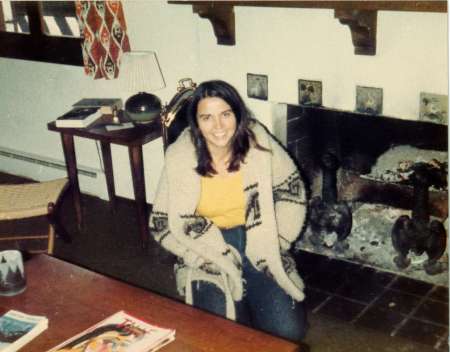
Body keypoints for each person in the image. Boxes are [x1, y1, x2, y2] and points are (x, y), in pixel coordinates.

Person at [149, 80, 309, 342]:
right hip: (208, 246)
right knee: (220, 333)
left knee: (288, 332)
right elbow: (161, 222)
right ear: (196, 123)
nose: (219, 126)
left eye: (225, 114)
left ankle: (252, 293)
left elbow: (292, 192)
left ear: (237, 113)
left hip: (258, 237)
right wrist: (196, 254)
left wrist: (278, 241)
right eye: (207, 117)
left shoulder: (258, 143)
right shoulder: (180, 156)